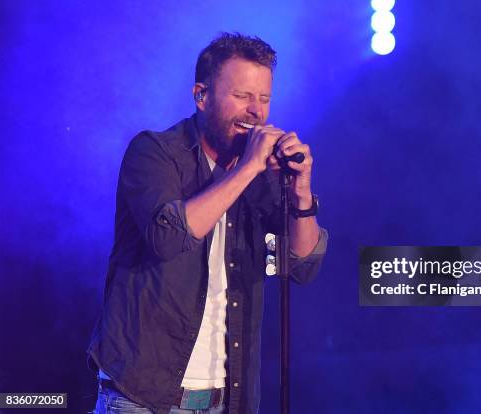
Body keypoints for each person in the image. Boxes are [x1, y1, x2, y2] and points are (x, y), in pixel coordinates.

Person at [87, 32, 328, 414]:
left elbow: (300, 265)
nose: (256, 112)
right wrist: (249, 167)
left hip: (227, 400)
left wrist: (301, 191)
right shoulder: (154, 152)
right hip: (142, 397)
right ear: (201, 95)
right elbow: (169, 237)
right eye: (242, 96)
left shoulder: (263, 178)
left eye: (263, 99)